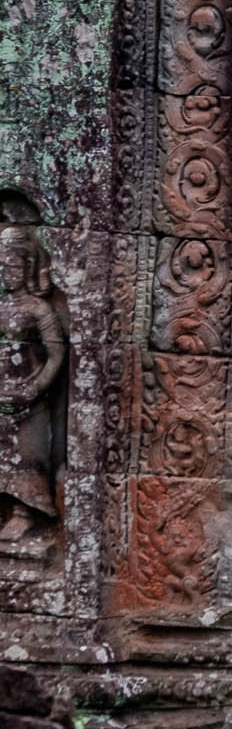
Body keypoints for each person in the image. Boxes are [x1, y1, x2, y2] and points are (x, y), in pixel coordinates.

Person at [0, 223, 65, 543]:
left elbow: (56, 353)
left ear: (26, 267)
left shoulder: (39, 309)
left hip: (30, 400)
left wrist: (35, 388)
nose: (7, 272)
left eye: (13, 265)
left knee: (28, 458)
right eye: (2, 266)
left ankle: (24, 514)